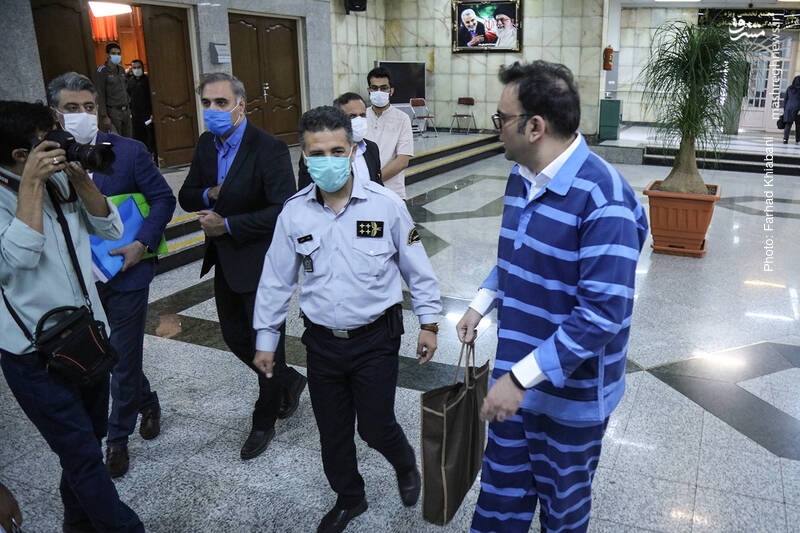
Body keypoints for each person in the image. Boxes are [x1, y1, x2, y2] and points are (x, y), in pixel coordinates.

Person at [456, 61, 648, 533]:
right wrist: (481, 302)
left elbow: (602, 314)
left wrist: (520, 379)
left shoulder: (605, 199)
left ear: (535, 127)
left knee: (562, 513)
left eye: (502, 118)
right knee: (499, 504)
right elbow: (518, 256)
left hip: (569, 401)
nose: (496, 127)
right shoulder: (522, 175)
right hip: (514, 383)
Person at [252, 106, 441, 533]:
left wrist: (429, 323)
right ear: (304, 157)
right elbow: (276, 280)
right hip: (321, 342)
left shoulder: (386, 206)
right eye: (317, 153)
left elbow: (418, 268)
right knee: (333, 431)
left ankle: (404, 462)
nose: (328, 160)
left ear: (353, 150)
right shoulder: (294, 213)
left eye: (337, 151)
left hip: (376, 338)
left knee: (375, 426)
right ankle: (350, 498)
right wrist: (265, 337)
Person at [0, 100, 143, 532]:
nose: (63, 142)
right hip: (35, 353)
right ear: (21, 155)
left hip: (87, 334)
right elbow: (16, 259)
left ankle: (77, 524)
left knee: (86, 444)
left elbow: (111, 229)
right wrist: (30, 186)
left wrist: (81, 180)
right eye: (51, 138)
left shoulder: (60, 180)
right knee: (81, 454)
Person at [47, 71, 177, 477]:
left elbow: (163, 198)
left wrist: (141, 243)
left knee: (121, 356)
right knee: (109, 355)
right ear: (54, 113)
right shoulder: (42, 160)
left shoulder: (128, 151)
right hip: (77, 280)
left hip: (126, 272)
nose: (82, 114)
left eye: (88, 107)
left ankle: (116, 440)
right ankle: (147, 400)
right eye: (71, 108)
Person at [178, 72, 306, 460]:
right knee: (235, 337)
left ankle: (263, 420)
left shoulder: (268, 148)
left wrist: (229, 224)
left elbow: (283, 208)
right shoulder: (206, 144)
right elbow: (186, 195)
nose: (213, 110)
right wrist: (211, 192)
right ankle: (288, 380)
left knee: (267, 342)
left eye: (221, 102)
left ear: (241, 105)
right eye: (206, 103)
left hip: (263, 262)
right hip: (225, 260)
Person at [298, 92, 382, 188]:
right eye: (352, 116)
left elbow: (378, 182)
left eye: (362, 115)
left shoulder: (372, 148)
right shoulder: (315, 155)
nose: (359, 120)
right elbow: (306, 187)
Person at [365, 67, 413, 200]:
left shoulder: (402, 119)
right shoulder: (361, 116)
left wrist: (374, 180)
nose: (379, 92)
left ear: (391, 91)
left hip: (392, 192)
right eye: (374, 88)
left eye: (384, 88)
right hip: (363, 192)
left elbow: (402, 160)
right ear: (369, 90)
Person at [95, 42, 132, 137]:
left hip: (126, 110)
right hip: (113, 111)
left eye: (118, 53)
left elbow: (126, 88)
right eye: (113, 53)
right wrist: (104, 115)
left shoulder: (121, 69)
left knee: (129, 137)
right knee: (117, 138)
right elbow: (100, 94)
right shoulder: (101, 70)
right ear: (107, 55)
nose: (117, 56)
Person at [126, 59, 157, 159]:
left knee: (150, 138)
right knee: (138, 138)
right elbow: (128, 97)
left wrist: (153, 112)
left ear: (142, 68)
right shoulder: (129, 82)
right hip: (135, 116)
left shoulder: (148, 80)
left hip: (148, 115)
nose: (137, 69)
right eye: (134, 68)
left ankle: (153, 157)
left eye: (138, 67)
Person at [782, 75, 800, 144]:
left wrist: (785, 109)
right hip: (797, 109)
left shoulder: (789, 88)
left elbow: (785, 99)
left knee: (788, 125)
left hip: (788, 109)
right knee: (798, 126)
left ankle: (785, 139)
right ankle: (797, 140)